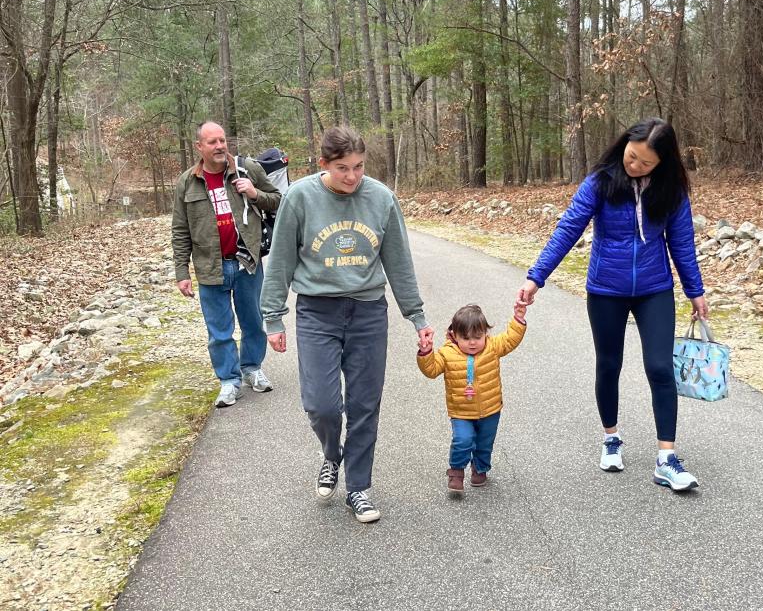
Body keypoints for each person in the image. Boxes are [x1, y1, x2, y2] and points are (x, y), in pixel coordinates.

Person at [517, 118, 709, 491]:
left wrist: (695, 291)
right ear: (625, 143)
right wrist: (535, 278)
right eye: (631, 155)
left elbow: (682, 243)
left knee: (659, 367)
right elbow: (568, 229)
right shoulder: (601, 182)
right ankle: (611, 438)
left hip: (654, 288)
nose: (634, 166)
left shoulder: (672, 191)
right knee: (609, 364)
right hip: (606, 288)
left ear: (663, 163)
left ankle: (666, 458)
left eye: (645, 163)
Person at [260, 126, 434, 523]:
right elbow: (282, 261)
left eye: (358, 167)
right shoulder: (301, 197)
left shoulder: (382, 198)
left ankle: (358, 487)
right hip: (317, 313)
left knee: (364, 405)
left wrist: (417, 317)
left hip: (368, 313)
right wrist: (273, 318)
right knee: (322, 405)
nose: (352, 177)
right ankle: (331, 454)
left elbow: (399, 263)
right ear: (323, 164)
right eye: (342, 168)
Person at [172, 121, 282, 409]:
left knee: (253, 322)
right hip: (210, 266)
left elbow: (280, 201)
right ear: (199, 147)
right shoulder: (186, 182)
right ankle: (229, 381)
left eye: (222, 140)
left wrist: (255, 193)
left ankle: (252, 369)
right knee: (219, 331)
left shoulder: (248, 169)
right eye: (212, 142)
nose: (220, 146)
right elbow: (181, 230)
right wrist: (182, 272)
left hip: (247, 261)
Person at [416, 302, 527, 494]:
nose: (473, 342)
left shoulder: (492, 347)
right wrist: (426, 353)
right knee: (462, 440)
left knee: (485, 442)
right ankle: (456, 471)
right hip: (461, 411)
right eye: (466, 338)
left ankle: (480, 468)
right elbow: (431, 370)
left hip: (490, 409)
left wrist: (518, 318)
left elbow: (510, 339)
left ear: (486, 333)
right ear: (454, 336)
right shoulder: (447, 353)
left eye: (478, 337)